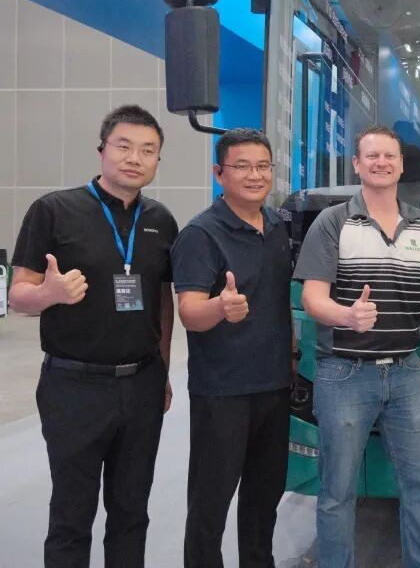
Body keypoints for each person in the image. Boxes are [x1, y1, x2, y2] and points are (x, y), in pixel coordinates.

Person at [9, 105, 178, 568]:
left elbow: (162, 301)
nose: (134, 158)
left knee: (131, 513)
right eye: (124, 146)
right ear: (102, 149)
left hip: (141, 384)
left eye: (148, 150)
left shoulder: (161, 220)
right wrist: (47, 294)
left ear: (158, 160)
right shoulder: (53, 210)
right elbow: (17, 295)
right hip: (73, 386)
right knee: (72, 515)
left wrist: (162, 371)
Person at [294, 125, 420, 568]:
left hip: (408, 375)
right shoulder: (332, 222)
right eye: (372, 156)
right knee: (337, 492)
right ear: (357, 165)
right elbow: (312, 297)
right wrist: (346, 316)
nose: (381, 163)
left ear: (401, 166)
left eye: (389, 156)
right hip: (343, 373)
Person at [170, 129, 295, 568]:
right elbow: (189, 313)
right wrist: (220, 307)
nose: (254, 175)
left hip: (274, 386)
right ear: (219, 173)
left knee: (264, 499)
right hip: (222, 391)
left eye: (262, 166)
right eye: (242, 166)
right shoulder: (201, 234)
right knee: (211, 502)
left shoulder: (278, 226)